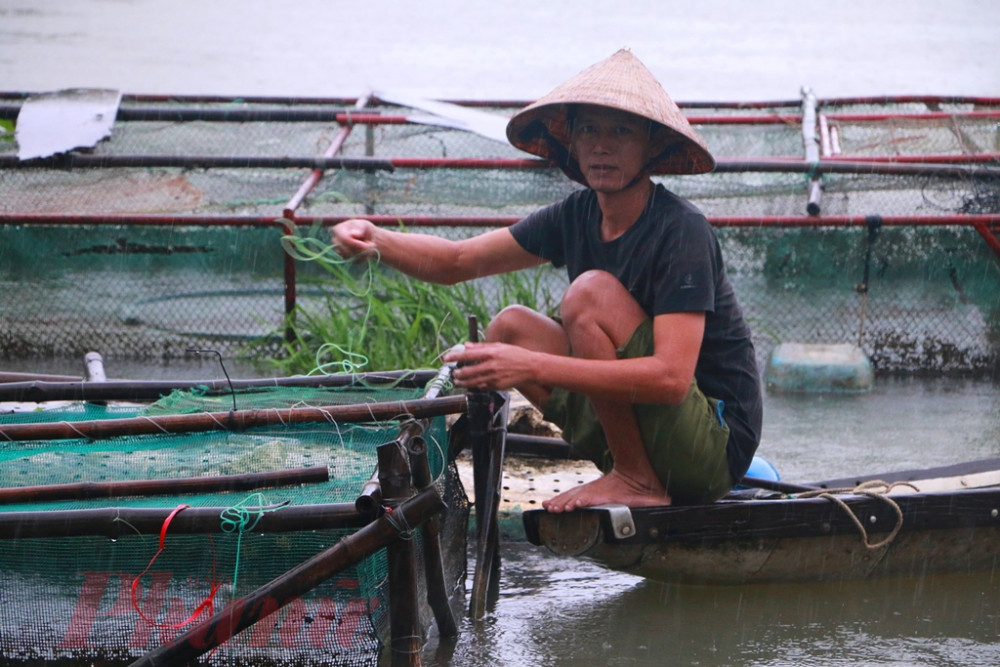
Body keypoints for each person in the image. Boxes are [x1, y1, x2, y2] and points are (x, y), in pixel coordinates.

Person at [331, 49, 763, 512]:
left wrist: (530, 368)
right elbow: (456, 261)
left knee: (589, 294)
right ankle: (626, 467)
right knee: (511, 326)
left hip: (712, 447)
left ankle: (637, 479)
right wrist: (375, 238)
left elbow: (672, 379)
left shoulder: (681, 229)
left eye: (621, 131)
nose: (602, 145)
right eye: (589, 130)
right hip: (655, 436)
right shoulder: (575, 215)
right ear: (571, 145)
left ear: (651, 147)